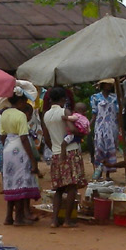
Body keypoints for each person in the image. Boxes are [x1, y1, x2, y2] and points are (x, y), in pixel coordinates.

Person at [0, 91, 41, 227]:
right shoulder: (21, 115)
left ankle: (8, 216)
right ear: (21, 101)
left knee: (10, 183)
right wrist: (33, 160)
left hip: (7, 149)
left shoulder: (4, 114)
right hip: (19, 150)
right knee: (21, 183)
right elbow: (24, 137)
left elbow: (2, 136)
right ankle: (19, 218)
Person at [44, 88, 84, 227]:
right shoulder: (65, 112)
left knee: (59, 189)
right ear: (63, 99)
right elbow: (72, 129)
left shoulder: (46, 115)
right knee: (72, 186)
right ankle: (67, 220)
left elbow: (46, 137)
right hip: (70, 151)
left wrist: (54, 149)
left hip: (56, 153)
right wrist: (81, 132)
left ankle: (54, 220)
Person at [90, 79, 122, 180]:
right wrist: (88, 125)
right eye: (107, 84)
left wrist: (121, 126)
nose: (109, 86)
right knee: (99, 148)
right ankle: (99, 172)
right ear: (102, 85)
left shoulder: (115, 98)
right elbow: (94, 114)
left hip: (112, 126)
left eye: (110, 85)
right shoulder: (95, 98)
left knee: (110, 148)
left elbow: (118, 113)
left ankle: (108, 173)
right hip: (100, 126)